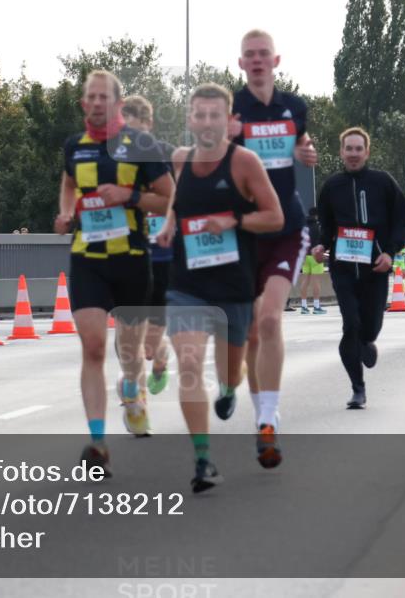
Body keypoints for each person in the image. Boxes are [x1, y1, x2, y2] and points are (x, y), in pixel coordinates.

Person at [156, 83, 283, 492]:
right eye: (200, 115)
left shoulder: (244, 162)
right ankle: (203, 460)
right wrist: (168, 225)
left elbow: (275, 216)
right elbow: (176, 202)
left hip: (233, 286)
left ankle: (229, 389)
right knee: (189, 363)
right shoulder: (180, 159)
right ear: (190, 119)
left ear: (227, 120)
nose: (207, 122)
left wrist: (235, 221)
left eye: (215, 115)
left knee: (231, 373)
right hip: (187, 283)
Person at [53, 70, 174, 476]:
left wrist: (130, 196)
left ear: (118, 103)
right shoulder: (75, 146)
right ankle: (98, 443)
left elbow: (169, 199)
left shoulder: (141, 145)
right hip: (87, 256)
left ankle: (133, 389)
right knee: (92, 346)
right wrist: (66, 213)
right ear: (83, 103)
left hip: (131, 258)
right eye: (90, 97)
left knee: (130, 351)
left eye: (103, 97)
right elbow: (68, 183)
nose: (96, 103)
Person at [228, 29, 318, 467]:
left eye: (264, 53)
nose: (258, 60)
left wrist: (306, 152)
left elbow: (301, 144)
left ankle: (269, 419)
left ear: (276, 60)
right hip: (245, 232)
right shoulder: (231, 109)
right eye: (251, 55)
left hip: (285, 227)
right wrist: (223, 141)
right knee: (249, 330)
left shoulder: (294, 107)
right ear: (241, 64)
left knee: (269, 318)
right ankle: (260, 412)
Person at [311, 127, 405, 410]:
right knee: (350, 325)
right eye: (348, 149)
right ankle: (358, 388)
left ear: (367, 152)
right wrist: (321, 245)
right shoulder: (332, 186)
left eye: (358, 149)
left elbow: (401, 221)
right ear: (341, 152)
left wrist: (390, 253)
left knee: (370, 328)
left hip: (375, 269)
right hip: (343, 269)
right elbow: (326, 226)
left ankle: (367, 341)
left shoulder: (383, 182)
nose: (353, 154)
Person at [122, 95, 175, 395]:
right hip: (128, 255)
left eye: (136, 129)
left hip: (163, 259)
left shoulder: (167, 155)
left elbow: (181, 199)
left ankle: (159, 359)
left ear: (149, 125)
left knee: (149, 344)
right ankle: (136, 398)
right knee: (127, 337)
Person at [298, 209, 327, 314]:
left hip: (305, 256)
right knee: (316, 282)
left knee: (305, 281)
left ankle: (303, 306)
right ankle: (316, 306)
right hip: (316, 255)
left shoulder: (304, 226)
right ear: (316, 215)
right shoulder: (318, 226)